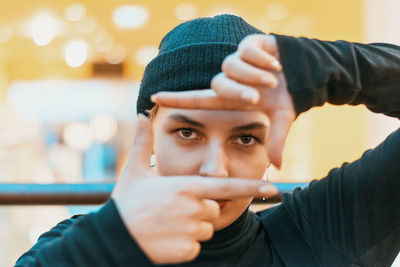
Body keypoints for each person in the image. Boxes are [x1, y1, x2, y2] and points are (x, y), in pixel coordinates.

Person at [16, 14, 400, 266]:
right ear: (147, 134)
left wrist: (338, 69)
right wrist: (107, 244)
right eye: (187, 133)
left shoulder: (324, 231)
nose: (213, 169)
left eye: (246, 138)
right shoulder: (80, 246)